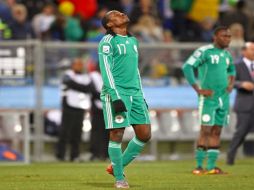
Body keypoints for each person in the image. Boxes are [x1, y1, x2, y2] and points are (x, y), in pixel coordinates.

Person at [98, 10, 151, 188]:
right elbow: (106, 71)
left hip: (135, 93)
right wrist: (115, 96)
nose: (121, 14)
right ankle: (120, 178)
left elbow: (135, 71)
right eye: (115, 14)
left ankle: (116, 166)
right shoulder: (107, 42)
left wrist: (141, 95)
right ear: (110, 25)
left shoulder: (132, 40)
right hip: (116, 93)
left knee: (144, 134)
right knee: (117, 134)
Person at [182, 26, 236, 174]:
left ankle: (211, 167)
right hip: (208, 99)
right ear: (215, 37)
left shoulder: (227, 55)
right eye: (224, 36)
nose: (227, 39)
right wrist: (197, 89)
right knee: (205, 130)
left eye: (229, 36)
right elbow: (187, 67)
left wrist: (231, 84)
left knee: (217, 131)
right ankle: (199, 166)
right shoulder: (204, 51)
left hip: (223, 99)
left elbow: (232, 70)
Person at [56, 58, 96, 162]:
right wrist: (82, 87)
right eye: (77, 64)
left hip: (80, 107)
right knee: (65, 131)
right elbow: (72, 84)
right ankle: (61, 155)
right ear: (73, 65)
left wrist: (80, 87)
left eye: (81, 64)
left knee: (77, 133)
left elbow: (90, 88)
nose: (79, 66)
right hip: (69, 106)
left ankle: (75, 156)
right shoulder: (68, 74)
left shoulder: (86, 76)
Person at [227, 42, 254, 165]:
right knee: (241, 131)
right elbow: (229, 82)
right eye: (252, 49)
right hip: (245, 104)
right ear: (244, 51)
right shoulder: (236, 65)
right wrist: (241, 84)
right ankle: (230, 155)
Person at [89, 65, 109, 161]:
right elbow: (92, 91)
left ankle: (106, 154)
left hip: (109, 107)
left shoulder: (110, 76)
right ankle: (95, 154)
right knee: (96, 131)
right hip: (97, 107)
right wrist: (105, 96)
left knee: (108, 132)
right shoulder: (93, 76)